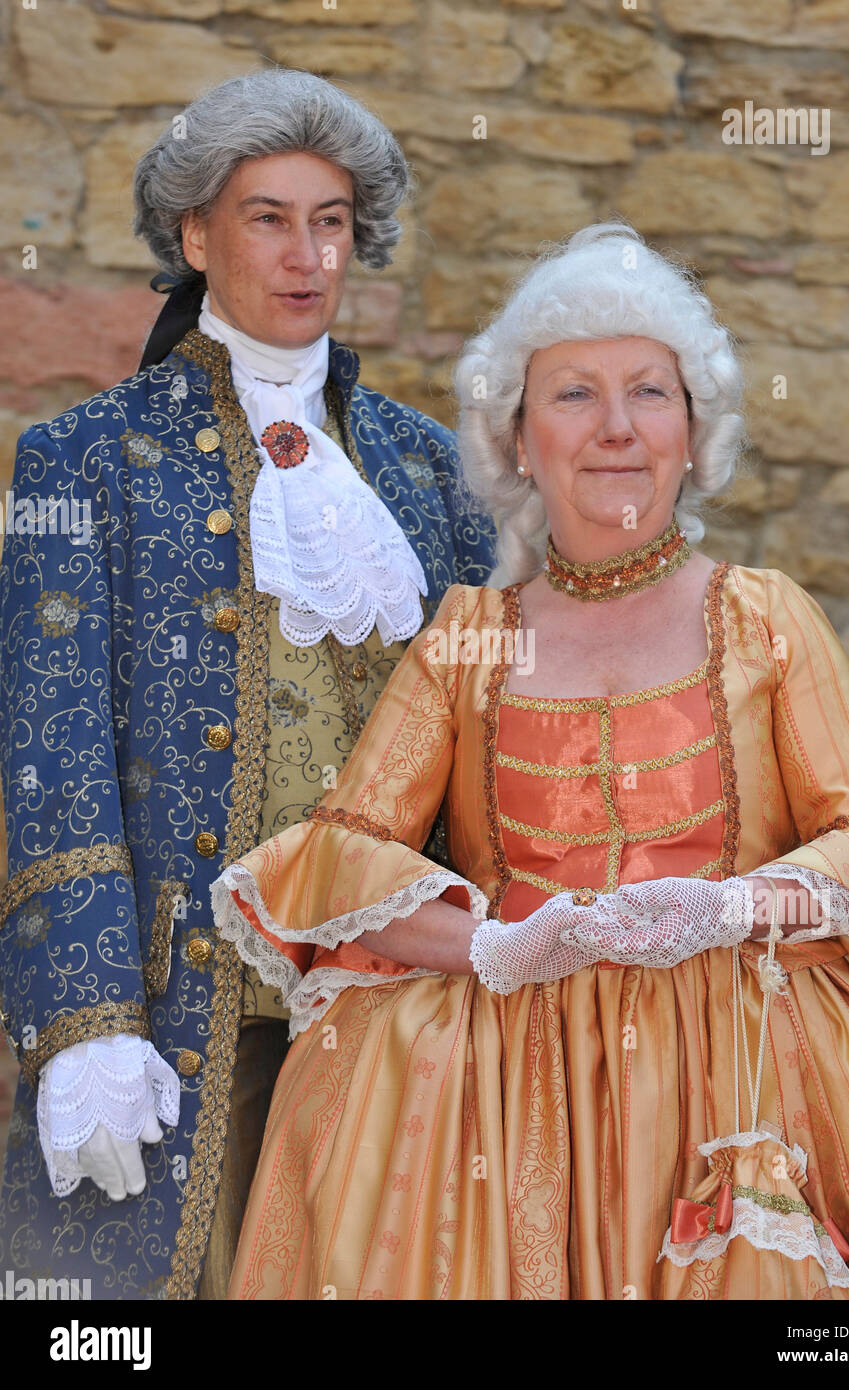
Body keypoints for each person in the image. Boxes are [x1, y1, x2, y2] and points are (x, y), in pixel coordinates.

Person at [212, 222, 849, 1300]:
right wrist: (499, 948)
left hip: (739, 1065)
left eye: (649, 393)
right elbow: (344, 872)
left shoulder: (766, 616)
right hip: (512, 1092)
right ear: (518, 439)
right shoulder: (468, 631)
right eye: (572, 395)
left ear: (693, 434)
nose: (615, 427)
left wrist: (735, 910)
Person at [0, 67, 495, 1301]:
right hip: (177, 1008)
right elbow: (48, 750)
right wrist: (84, 1021)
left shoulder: (429, 470)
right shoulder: (83, 455)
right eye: (268, 217)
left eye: (329, 221)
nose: (305, 252)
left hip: (391, 1005)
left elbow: (493, 739)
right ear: (194, 235)